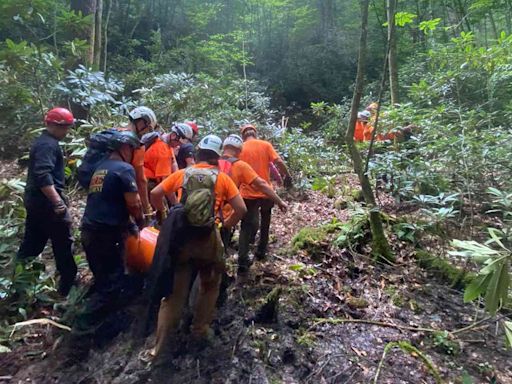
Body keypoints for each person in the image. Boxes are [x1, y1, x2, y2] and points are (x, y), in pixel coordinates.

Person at [149, 134, 247, 361]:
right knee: (210, 284)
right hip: (207, 239)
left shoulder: (184, 173)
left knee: (173, 295)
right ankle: (199, 330)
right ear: (217, 156)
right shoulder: (222, 178)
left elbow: (155, 194)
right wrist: (225, 227)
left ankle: (160, 348)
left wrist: (164, 216)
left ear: (200, 152)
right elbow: (240, 209)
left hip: (182, 239)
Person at [69, 130, 144, 359]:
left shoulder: (99, 169)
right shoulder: (124, 169)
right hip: (106, 235)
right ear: (124, 148)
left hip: (90, 232)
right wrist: (141, 221)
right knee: (111, 284)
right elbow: (134, 204)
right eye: (132, 149)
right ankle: (80, 334)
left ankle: (97, 326)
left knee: (104, 279)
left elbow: (106, 201)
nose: (133, 154)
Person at [16, 107, 77, 296]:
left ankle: (18, 281)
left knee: (33, 242)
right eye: (64, 127)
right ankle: (67, 287)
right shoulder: (47, 145)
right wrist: (58, 203)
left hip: (36, 201)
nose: (66, 131)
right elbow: (43, 175)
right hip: (46, 204)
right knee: (62, 243)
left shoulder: (45, 142)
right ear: (52, 125)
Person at [219, 134, 287, 259]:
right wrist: (279, 200)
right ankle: (247, 259)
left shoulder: (211, 163)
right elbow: (262, 183)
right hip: (225, 216)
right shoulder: (240, 165)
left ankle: (233, 260)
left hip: (205, 215)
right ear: (239, 150)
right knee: (252, 224)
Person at [238, 124, 292, 271]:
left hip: (247, 192)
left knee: (246, 225)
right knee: (266, 219)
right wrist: (286, 175)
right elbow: (279, 162)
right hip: (266, 192)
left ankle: (242, 258)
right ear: (255, 133)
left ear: (243, 135)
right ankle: (261, 250)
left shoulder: (240, 148)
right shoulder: (265, 145)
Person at [125, 107, 158, 217]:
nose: (146, 132)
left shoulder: (112, 134)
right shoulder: (137, 144)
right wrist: (147, 208)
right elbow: (141, 180)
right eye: (147, 127)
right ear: (141, 121)